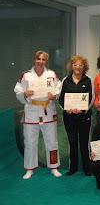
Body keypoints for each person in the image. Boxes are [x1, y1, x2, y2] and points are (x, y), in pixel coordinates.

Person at [14, 50, 62, 179]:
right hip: (32, 113)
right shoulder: (26, 75)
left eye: (43, 59)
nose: (41, 62)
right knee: (30, 142)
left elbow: (58, 87)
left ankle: (54, 167)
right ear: (34, 60)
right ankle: (29, 169)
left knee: (52, 142)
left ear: (46, 61)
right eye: (38, 59)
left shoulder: (51, 74)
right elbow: (17, 89)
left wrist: (54, 95)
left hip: (48, 111)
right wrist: (25, 94)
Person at [59, 55, 95, 176]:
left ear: (84, 67)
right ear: (71, 66)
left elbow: (92, 97)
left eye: (80, 65)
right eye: (75, 65)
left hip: (84, 117)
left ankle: (87, 168)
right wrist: (66, 109)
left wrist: (83, 110)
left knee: (85, 142)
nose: (78, 67)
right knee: (72, 142)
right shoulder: (65, 80)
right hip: (69, 117)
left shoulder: (88, 80)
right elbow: (61, 98)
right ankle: (72, 167)